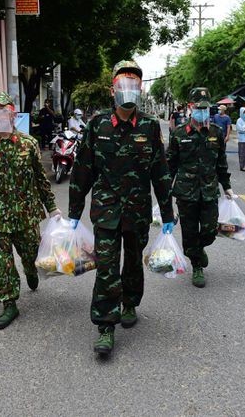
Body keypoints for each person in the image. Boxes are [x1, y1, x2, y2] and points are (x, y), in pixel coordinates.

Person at [68, 60, 174, 356]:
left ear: (140, 90)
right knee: (106, 267)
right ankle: (105, 325)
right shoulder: (97, 125)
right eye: (123, 84)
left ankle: (129, 303)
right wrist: (74, 212)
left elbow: (161, 173)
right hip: (106, 211)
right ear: (112, 89)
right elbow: (83, 171)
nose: (128, 89)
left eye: (134, 84)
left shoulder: (150, 127)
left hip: (138, 210)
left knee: (131, 263)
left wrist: (167, 214)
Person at [0, 92, 61, 329]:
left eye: (1, 110)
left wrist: (52, 208)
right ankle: (9, 304)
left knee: (30, 256)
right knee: (0, 262)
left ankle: (30, 271)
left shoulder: (29, 145)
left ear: (12, 114)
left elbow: (40, 179)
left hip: (26, 215)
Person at [167, 96, 235, 288]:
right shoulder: (179, 133)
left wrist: (227, 185)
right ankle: (197, 266)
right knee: (189, 234)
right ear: (191, 107)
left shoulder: (216, 132)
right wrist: (164, 191)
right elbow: (171, 165)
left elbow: (221, 162)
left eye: (206, 108)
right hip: (185, 192)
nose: (203, 112)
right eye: (199, 108)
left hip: (209, 190)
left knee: (209, 230)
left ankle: (200, 248)